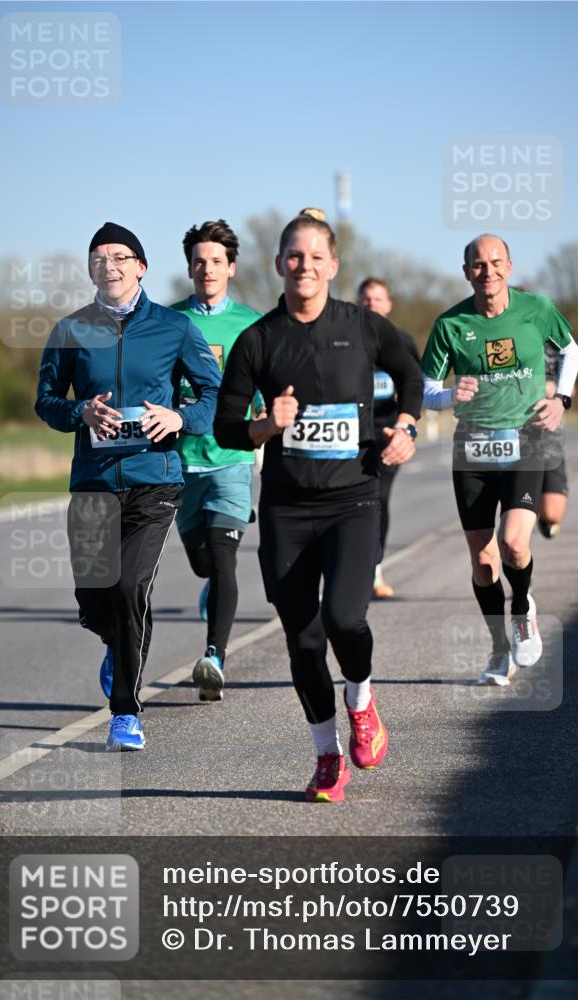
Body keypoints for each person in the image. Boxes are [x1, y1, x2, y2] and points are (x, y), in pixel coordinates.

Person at [214, 209, 423, 802]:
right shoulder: (258, 339)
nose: (303, 266)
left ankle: (362, 698)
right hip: (287, 510)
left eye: (315, 256)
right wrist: (264, 426)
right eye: (293, 256)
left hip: (354, 500)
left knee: (344, 620)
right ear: (279, 264)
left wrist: (406, 425)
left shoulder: (362, 326)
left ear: (333, 265)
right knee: (303, 640)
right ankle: (326, 757)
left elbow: (409, 373)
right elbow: (226, 425)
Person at [35, 222, 221, 750]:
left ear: (141, 267)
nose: (108, 265)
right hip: (93, 485)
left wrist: (179, 419)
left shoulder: (174, 327)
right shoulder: (71, 329)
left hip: (153, 483)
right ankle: (119, 642)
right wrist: (80, 411)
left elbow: (213, 394)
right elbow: (45, 400)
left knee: (128, 588)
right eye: (98, 257)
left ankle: (125, 713)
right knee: (96, 603)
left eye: (120, 256)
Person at [421, 234, 578, 686]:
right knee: (484, 561)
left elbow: (570, 350)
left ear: (509, 266)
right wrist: (451, 395)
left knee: (514, 543)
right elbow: (425, 387)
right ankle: (497, 650)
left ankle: (523, 608)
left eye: (495, 262)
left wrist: (562, 399)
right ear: (466, 270)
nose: (487, 271)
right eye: (477, 264)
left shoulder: (536, 309)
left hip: (526, 440)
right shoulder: (450, 325)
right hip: (471, 447)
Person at [170, 220, 263, 701]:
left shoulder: (251, 324)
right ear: (189, 267)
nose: (207, 269)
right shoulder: (167, 322)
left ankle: (214, 658)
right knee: (202, 563)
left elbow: (267, 390)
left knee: (224, 557)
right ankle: (209, 591)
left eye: (216, 261)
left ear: (231, 267)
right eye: (199, 261)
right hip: (181, 463)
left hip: (231, 458)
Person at [357, 277, 422, 598]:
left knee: (378, 498)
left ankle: (374, 571)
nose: (372, 304)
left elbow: (416, 381)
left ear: (389, 304)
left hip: (388, 432)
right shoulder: (348, 339)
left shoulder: (403, 341)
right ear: (358, 303)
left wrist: (406, 411)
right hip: (353, 434)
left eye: (377, 299)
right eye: (366, 299)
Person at [537, 343, 570, 539]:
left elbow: (571, 391)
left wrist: (557, 390)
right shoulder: (505, 334)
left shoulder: (556, 345)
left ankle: (543, 516)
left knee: (552, 515)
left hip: (548, 432)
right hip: (512, 431)